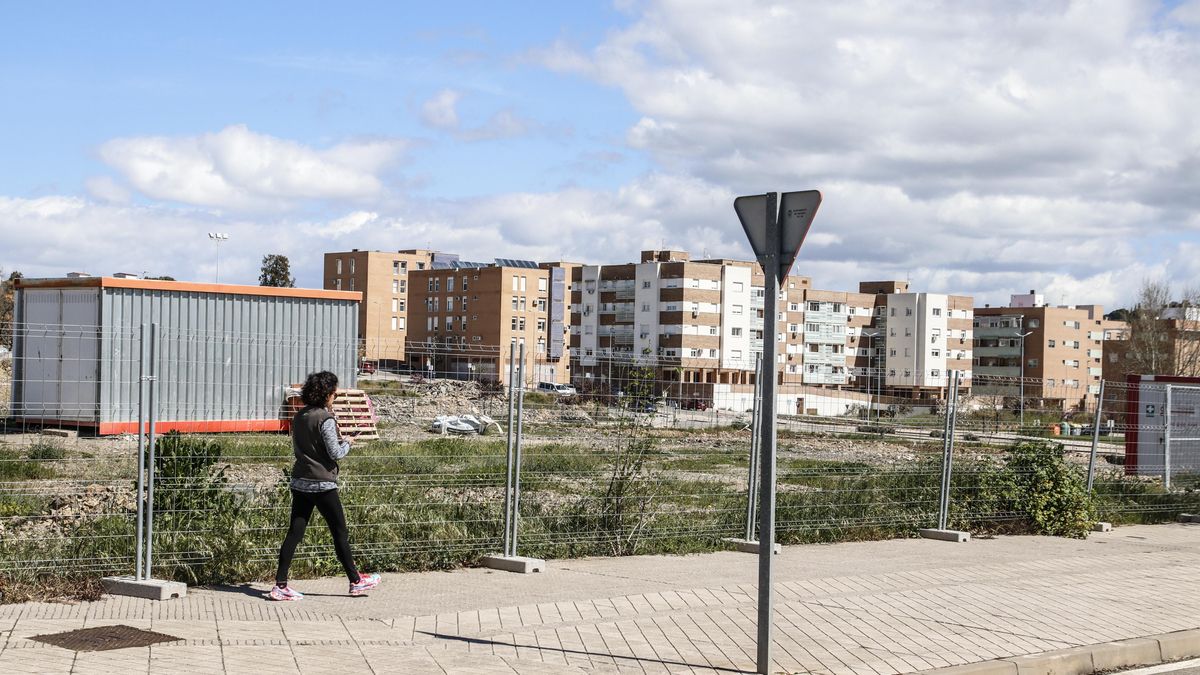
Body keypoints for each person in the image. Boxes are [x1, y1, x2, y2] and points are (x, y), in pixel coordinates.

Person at [271, 371, 381, 601]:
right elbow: (335, 453)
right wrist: (348, 443)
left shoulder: (299, 416)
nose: (335, 396)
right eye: (334, 393)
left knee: (295, 533)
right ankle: (356, 581)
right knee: (339, 533)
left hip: (300, 481)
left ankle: (280, 585)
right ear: (327, 394)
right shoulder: (326, 419)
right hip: (323, 485)